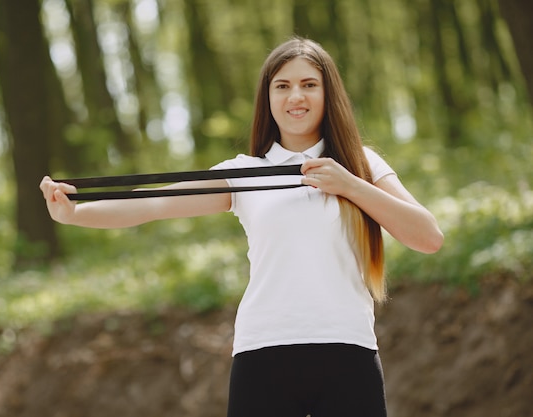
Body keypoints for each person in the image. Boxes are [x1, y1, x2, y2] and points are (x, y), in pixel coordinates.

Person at [40, 37, 444, 417]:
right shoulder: (243, 174)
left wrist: (350, 185)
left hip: (348, 348)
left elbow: (427, 237)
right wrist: (74, 212)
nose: (296, 96)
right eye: (282, 86)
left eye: (309, 84)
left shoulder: (362, 164)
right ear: (268, 99)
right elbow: (153, 203)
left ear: (328, 94)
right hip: (264, 351)